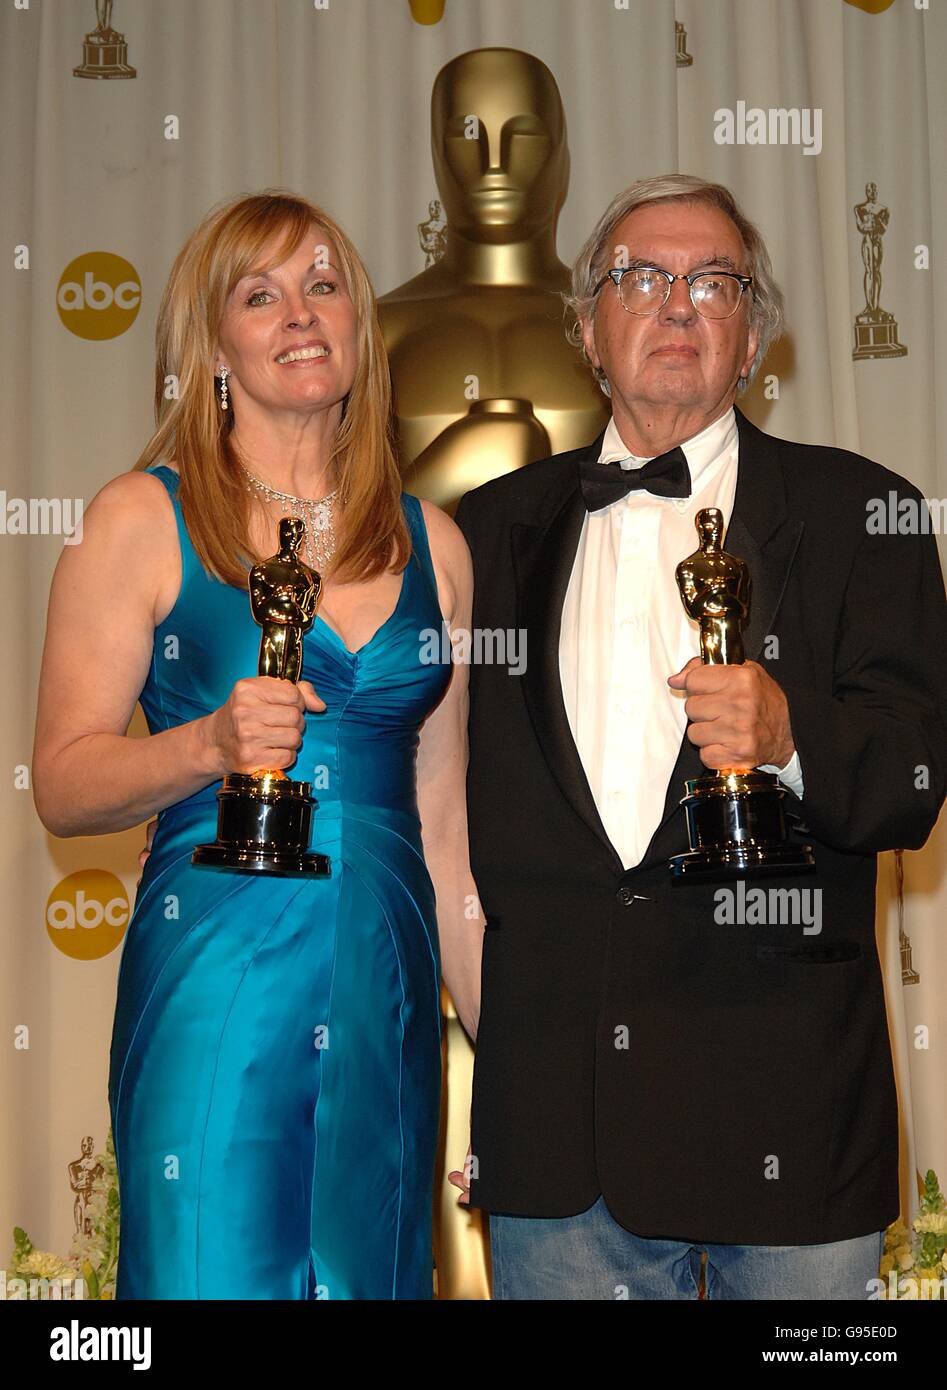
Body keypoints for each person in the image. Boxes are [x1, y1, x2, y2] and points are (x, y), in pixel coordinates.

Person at [449, 174, 947, 1299]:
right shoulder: (483, 534)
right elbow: (429, 787)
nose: (674, 304)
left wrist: (789, 735)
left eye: (711, 282)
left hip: (792, 1126)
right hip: (555, 1143)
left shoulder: (866, 514)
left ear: (753, 334)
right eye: (638, 277)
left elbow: (911, 777)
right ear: (585, 327)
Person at [32, 190, 481, 1300]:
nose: (300, 313)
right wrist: (206, 745)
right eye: (260, 292)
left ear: (358, 325)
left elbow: (446, 833)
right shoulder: (140, 517)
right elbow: (62, 782)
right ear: (212, 341)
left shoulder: (438, 545)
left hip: (384, 980)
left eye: (323, 285)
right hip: (217, 964)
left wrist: (506, 1060)